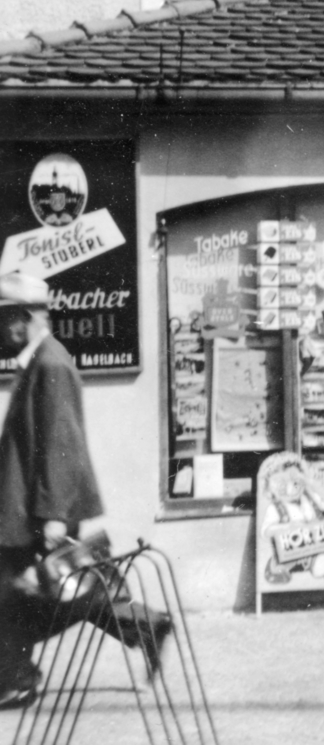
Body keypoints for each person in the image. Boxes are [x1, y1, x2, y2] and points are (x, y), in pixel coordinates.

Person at [0, 272, 170, 709]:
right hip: (29, 505)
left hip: (37, 508)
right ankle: (146, 627)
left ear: (22, 318)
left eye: (2, 319)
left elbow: (62, 442)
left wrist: (55, 513)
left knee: (20, 591)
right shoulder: (40, 360)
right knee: (65, 584)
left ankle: (17, 679)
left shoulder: (51, 362)